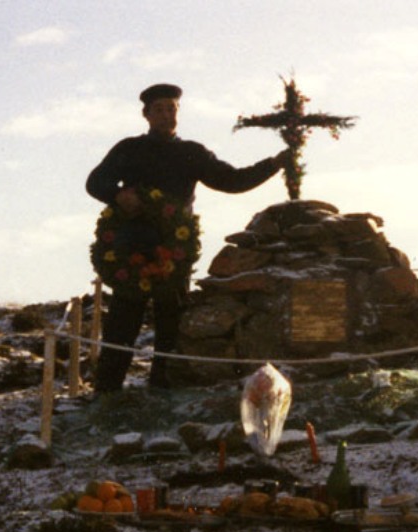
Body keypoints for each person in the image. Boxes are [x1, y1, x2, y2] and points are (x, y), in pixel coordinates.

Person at [86, 83, 290, 392]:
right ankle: (107, 396)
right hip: (133, 251)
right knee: (122, 326)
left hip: (173, 254)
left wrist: (272, 165)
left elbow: (231, 180)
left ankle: (161, 394)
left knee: (171, 326)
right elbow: (95, 181)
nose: (167, 115)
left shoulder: (190, 153)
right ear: (146, 114)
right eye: (159, 109)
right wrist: (117, 195)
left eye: (172, 108)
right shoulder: (129, 149)